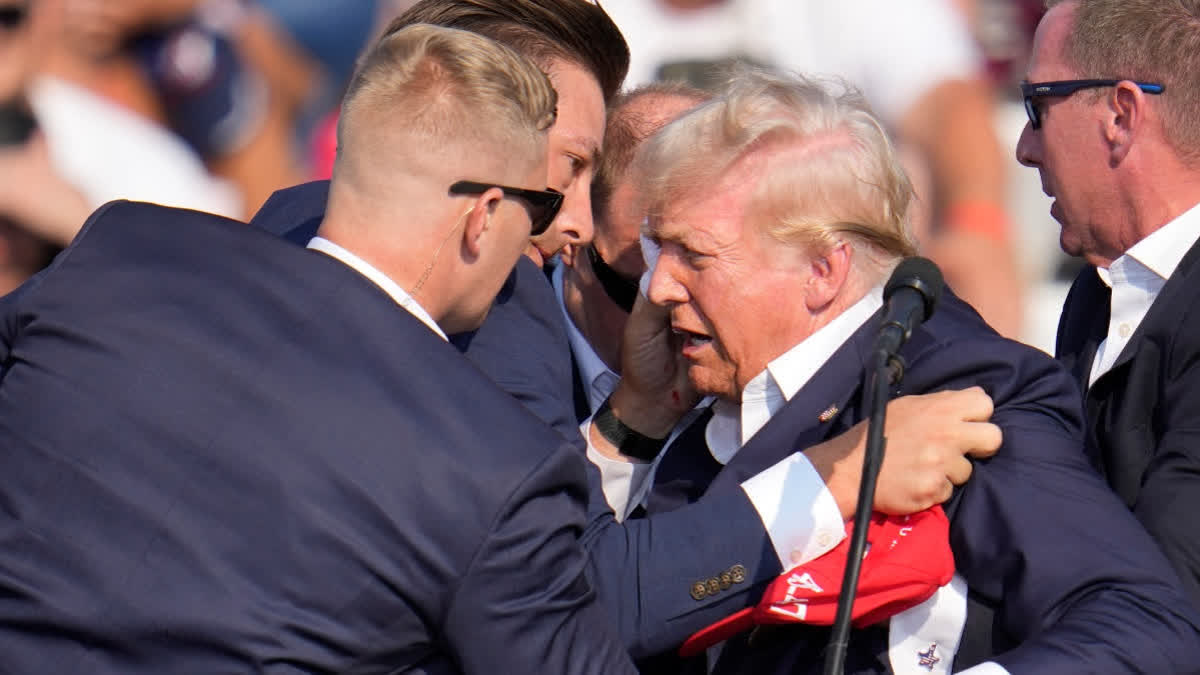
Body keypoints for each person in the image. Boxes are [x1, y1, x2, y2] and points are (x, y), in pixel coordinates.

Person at [247, 0, 1008, 660]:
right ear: (475, 131)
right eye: (570, 165)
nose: (571, 221)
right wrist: (836, 475)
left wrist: (631, 420)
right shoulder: (506, 310)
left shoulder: (282, 225)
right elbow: (575, 600)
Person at [0, 24, 644, 673]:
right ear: (483, 215)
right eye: (540, 206)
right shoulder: (494, 470)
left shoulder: (124, 246)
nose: (565, 227)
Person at [591, 67, 1200, 672]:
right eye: (655, 250)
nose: (658, 287)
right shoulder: (688, 390)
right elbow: (541, 609)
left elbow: (1140, 624)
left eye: (692, 255)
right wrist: (633, 422)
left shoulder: (959, 393)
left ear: (823, 272)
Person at [602, 0, 1026, 340]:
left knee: (974, 246)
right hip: (644, 271)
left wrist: (974, 223)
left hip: (828, 273)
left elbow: (951, 108)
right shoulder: (591, 15)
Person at [1016, 0, 1200, 607]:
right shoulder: (1100, 294)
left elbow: (1166, 600)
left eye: (1038, 107)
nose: (1024, 147)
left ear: (1121, 114)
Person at [555, 80, 713, 517]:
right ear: (572, 240)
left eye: (709, 271)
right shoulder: (491, 353)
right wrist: (638, 413)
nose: (682, 315)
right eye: (640, 287)